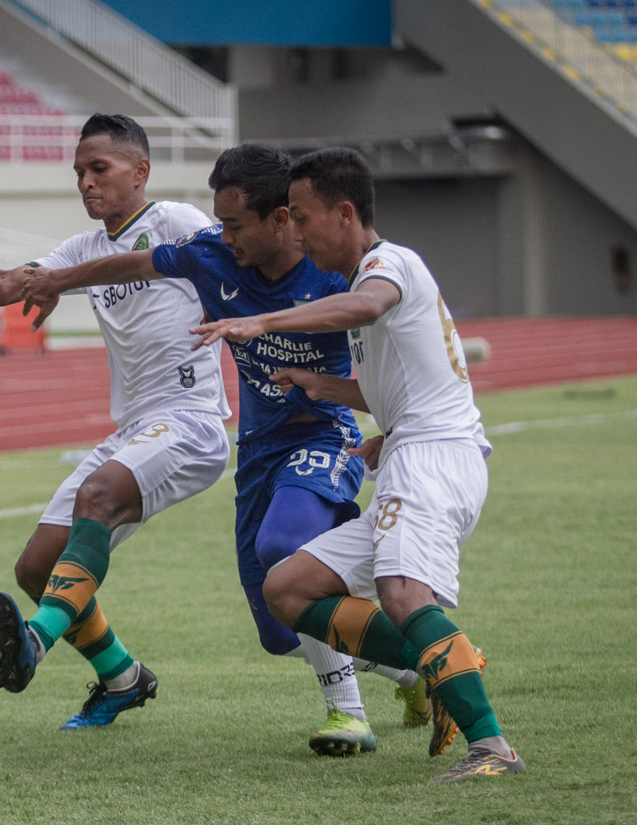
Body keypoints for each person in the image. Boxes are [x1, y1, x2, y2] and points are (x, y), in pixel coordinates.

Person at [20, 143, 426, 755]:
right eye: (221, 222)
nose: (224, 236)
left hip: (326, 435)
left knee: (285, 548)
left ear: (281, 219)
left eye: (235, 224)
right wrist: (56, 280)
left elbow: (396, 352)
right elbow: (133, 265)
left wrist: (389, 424)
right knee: (279, 628)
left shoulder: (335, 271)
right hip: (258, 449)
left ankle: (349, 715)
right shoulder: (213, 254)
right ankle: (414, 669)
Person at [190, 146, 524, 782]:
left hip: (431, 461)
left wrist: (261, 322)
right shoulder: (362, 282)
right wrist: (325, 388)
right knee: (288, 588)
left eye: (302, 217)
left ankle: (492, 748)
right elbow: (391, 385)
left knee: (402, 594)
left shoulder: (386, 265)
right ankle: (438, 668)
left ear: (344, 213)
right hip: (409, 451)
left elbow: (369, 305)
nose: (295, 232)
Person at [0, 113, 232, 729]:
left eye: (99, 169)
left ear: (140, 171)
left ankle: (35, 640)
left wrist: (61, 281)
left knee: (97, 495)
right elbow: (1, 289)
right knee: (36, 568)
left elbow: (198, 263)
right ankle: (123, 677)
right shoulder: (80, 249)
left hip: (189, 422)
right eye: (79, 172)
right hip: (134, 430)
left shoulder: (176, 221)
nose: (86, 182)